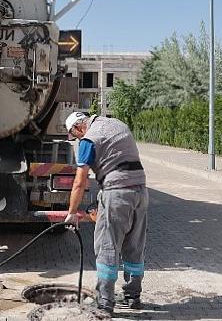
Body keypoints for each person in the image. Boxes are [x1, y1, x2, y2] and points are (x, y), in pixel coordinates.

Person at [63, 111, 148, 315]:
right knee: (134, 246)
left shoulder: (89, 140)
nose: (77, 139)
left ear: (78, 128)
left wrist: (72, 212)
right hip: (141, 191)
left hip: (117, 194)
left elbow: (80, 182)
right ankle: (132, 296)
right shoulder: (117, 124)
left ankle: (105, 303)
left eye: (75, 136)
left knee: (107, 247)